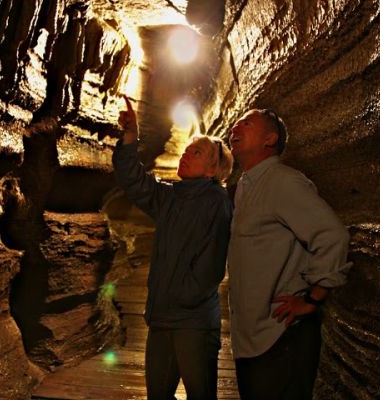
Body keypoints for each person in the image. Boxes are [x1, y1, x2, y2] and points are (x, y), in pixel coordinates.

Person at [112, 96, 233, 400]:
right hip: (162, 318)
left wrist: (181, 296)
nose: (186, 154)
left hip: (193, 322)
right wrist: (130, 139)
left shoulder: (216, 202)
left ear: (212, 170)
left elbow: (211, 267)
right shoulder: (171, 196)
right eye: (187, 149)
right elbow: (135, 182)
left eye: (197, 152)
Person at [226, 109, 352, 399]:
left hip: (281, 337)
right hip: (254, 338)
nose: (236, 126)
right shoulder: (247, 185)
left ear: (270, 139)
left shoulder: (283, 181)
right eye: (237, 122)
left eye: (247, 123)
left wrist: (312, 298)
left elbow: (332, 236)